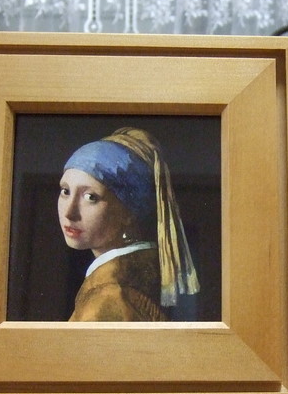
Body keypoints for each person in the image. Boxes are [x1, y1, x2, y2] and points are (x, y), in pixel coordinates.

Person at [57, 127, 199, 321]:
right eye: (65, 191)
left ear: (129, 212)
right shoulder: (134, 277)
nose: (69, 212)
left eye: (91, 197)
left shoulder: (108, 298)